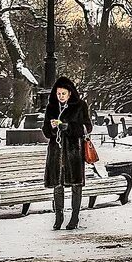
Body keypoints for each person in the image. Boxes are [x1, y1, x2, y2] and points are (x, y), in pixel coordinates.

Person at [42, 76, 93, 230]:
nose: (61, 96)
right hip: (56, 152)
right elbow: (45, 132)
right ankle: (59, 217)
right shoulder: (51, 108)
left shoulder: (80, 106)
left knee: (76, 185)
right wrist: (52, 128)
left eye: (63, 93)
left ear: (70, 93)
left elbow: (87, 127)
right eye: (58, 94)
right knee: (58, 185)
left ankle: (75, 218)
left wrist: (68, 127)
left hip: (73, 152)